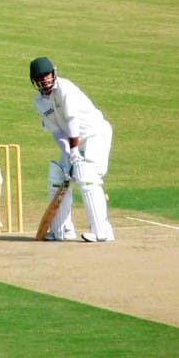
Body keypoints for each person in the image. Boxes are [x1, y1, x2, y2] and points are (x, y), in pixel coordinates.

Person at [29, 57, 115, 242]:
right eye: (41, 77)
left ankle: (101, 231)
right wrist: (68, 152)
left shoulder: (65, 89)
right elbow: (56, 131)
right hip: (73, 140)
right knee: (58, 176)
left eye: (48, 75)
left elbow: (72, 121)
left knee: (87, 176)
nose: (46, 79)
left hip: (94, 135)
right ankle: (63, 231)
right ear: (35, 80)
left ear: (53, 73)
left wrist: (75, 150)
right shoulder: (39, 102)